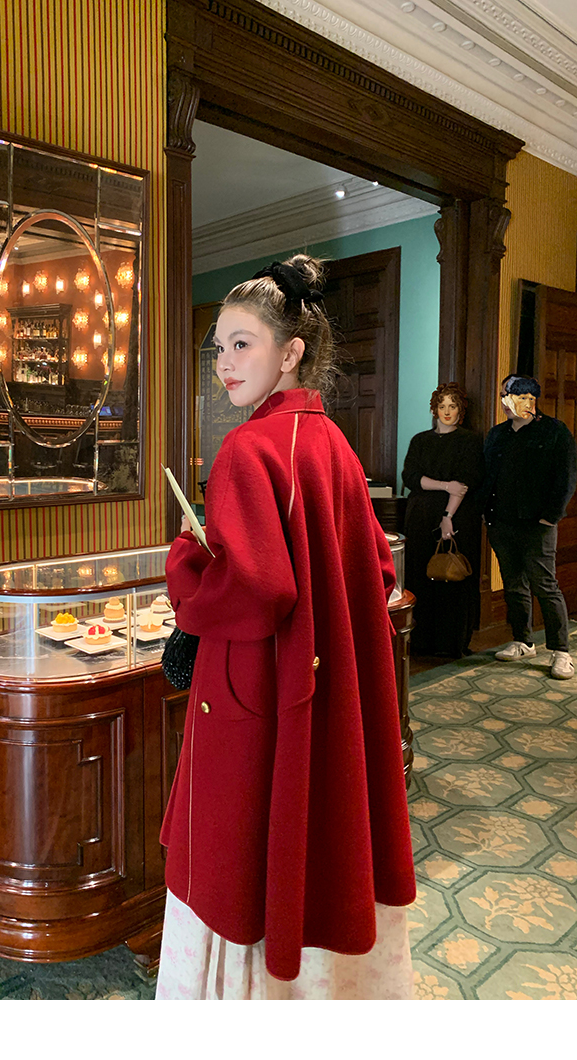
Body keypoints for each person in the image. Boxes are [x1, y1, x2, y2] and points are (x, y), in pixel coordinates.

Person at [156, 256, 416, 1001]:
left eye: (243, 344)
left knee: (243, 851)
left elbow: (256, 588)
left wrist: (188, 562)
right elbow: (379, 572)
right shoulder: (334, 444)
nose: (225, 363)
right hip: (327, 690)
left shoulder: (247, 448)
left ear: (291, 351)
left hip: (262, 692)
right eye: (219, 348)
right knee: (320, 836)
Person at [481, 374, 577, 680]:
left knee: (545, 585)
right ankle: (523, 641)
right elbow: (487, 476)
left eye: (509, 395)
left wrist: (551, 516)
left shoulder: (554, 431)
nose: (504, 401)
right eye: (502, 395)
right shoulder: (497, 434)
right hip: (501, 522)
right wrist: (485, 511)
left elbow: (566, 477)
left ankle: (561, 652)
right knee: (513, 584)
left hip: (538, 525)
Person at [401, 383, 485, 657]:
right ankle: (421, 641)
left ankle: (452, 644)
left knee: (452, 578)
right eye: (442, 406)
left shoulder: (470, 441)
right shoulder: (419, 440)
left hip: (457, 516)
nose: (447, 411)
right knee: (421, 576)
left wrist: (448, 516)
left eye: (453, 406)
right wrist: (445, 485)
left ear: (461, 410)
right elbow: (410, 477)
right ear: (434, 409)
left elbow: (465, 483)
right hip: (420, 516)